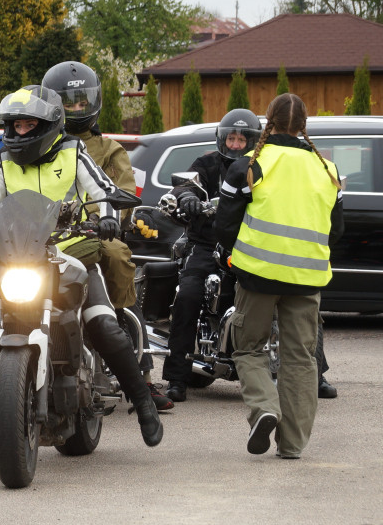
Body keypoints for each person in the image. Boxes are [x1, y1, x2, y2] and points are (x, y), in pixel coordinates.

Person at [0, 85, 163, 464]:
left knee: (104, 324)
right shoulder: (5, 163)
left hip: (71, 252)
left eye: (29, 125)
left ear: (48, 125)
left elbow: (105, 190)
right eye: (14, 126)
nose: (19, 133)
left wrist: (108, 219)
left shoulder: (73, 153)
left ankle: (144, 403)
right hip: (18, 255)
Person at [216, 93, 343, 459]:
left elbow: (225, 226)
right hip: (308, 278)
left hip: (257, 275)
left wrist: (238, 258)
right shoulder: (327, 171)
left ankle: (265, 408)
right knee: (301, 358)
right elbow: (336, 231)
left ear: (267, 121)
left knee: (248, 348)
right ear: (303, 125)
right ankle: (292, 444)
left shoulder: (248, 165)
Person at [42, 61, 172, 411]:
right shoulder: (40, 143)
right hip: (43, 235)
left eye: (82, 101)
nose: (76, 108)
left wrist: (109, 220)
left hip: (95, 232)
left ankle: (141, 374)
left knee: (117, 257)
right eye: (68, 102)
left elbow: (124, 190)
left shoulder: (109, 149)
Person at [161, 109, 263, 403]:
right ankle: (177, 378)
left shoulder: (261, 167)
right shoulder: (207, 163)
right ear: (222, 138)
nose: (235, 144)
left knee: (288, 293)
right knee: (188, 295)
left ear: (252, 141)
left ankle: (316, 373)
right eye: (231, 138)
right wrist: (188, 197)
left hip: (249, 244)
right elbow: (184, 184)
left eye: (242, 139)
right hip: (205, 244)